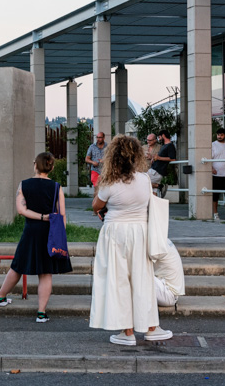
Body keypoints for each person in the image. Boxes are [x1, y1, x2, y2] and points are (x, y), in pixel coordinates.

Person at [90, 135, 172, 346]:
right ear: (136, 155)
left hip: (115, 232)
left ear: (113, 156)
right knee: (142, 279)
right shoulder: (145, 179)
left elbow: (96, 206)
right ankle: (151, 328)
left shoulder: (109, 181)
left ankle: (127, 332)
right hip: (140, 231)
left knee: (118, 280)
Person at [0, 152, 73, 323]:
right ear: (51, 167)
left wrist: (40, 217)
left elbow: (21, 210)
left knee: (18, 266)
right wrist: (60, 233)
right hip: (49, 233)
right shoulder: (56, 187)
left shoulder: (24, 185)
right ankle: (41, 312)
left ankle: (0, 297)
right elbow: (62, 215)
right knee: (46, 273)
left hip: (31, 231)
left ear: (35, 165)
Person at [153, 239, 185, 307]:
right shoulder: (164, 240)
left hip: (168, 294)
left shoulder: (156, 245)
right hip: (171, 292)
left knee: (138, 276)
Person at [148, 130, 176, 198]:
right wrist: (154, 157)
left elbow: (173, 159)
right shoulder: (164, 146)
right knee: (153, 191)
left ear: (163, 135)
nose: (159, 139)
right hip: (155, 169)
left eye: (159, 137)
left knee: (142, 182)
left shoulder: (170, 146)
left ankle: (159, 186)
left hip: (157, 171)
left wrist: (159, 158)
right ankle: (155, 206)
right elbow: (159, 156)